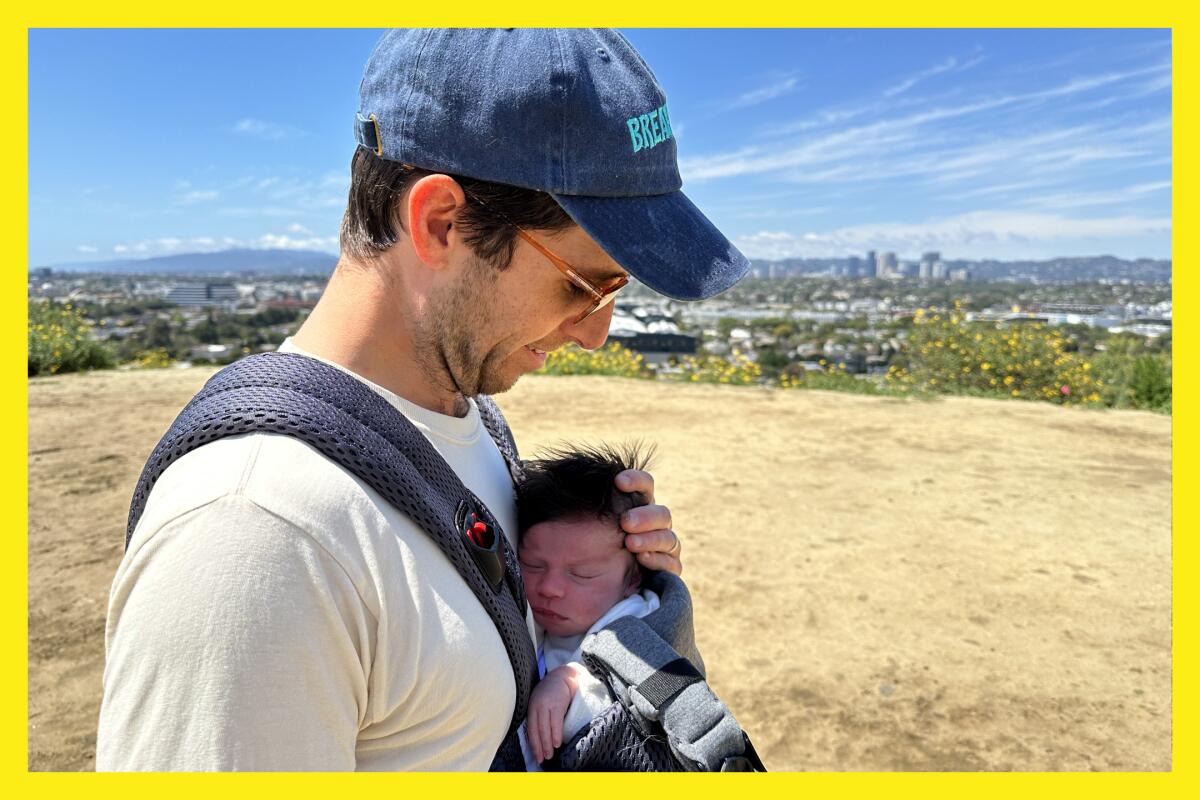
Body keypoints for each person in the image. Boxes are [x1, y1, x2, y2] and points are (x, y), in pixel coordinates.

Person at [97, 28, 748, 771]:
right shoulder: (255, 538)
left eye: (615, 288)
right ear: (441, 223)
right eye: (582, 283)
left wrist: (628, 594)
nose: (598, 333)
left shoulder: (467, 426)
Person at [516, 443, 664, 765]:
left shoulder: (635, 615)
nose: (550, 588)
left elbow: (651, 691)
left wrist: (571, 681)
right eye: (532, 565)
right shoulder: (532, 616)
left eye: (582, 574)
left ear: (633, 579)